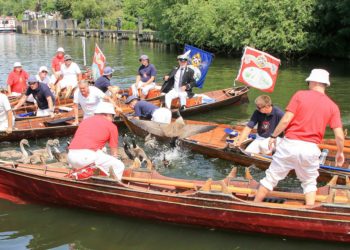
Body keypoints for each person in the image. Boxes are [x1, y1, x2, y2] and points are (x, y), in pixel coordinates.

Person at [254, 69, 344, 206]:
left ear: (312, 81)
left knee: (270, 179)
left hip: (290, 144)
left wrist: (273, 136)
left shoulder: (300, 95)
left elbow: (285, 120)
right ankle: (309, 211)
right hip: (310, 148)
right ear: (325, 84)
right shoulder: (333, 106)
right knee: (309, 183)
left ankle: (255, 205)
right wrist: (340, 152)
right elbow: (339, 136)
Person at [67, 101, 125, 180]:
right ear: (107, 114)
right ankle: (114, 187)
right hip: (87, 158)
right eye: (112, 116)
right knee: (119, 165)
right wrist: (115, 160)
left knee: (102, 154)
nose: (112, 119)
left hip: (70, 157)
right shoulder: (112, 126)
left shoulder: (84, 121)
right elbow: (114, 152)